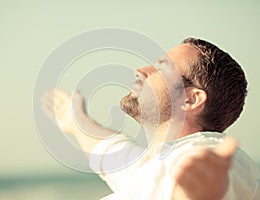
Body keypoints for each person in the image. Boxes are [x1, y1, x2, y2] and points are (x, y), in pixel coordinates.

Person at [41, 38, 260, 199]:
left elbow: (211, 186)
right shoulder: (156, 165)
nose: (141, 70)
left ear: (191, 99)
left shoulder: (210, 158)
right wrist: (77, 121)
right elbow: (115, 155)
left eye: (162, 68)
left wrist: (199, 194)